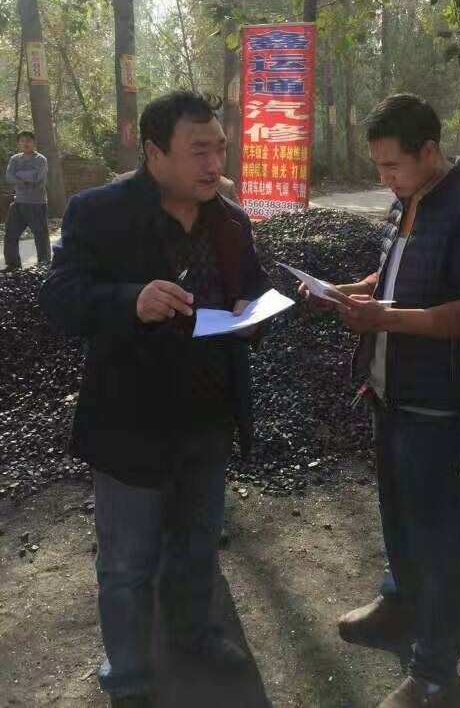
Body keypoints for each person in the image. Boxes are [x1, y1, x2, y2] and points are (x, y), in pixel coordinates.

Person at [39, 91, 270, 708]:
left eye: (220, 148)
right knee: (128, 561)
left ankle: (194, 637)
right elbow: (59, 298)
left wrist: (251, 311)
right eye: (199, 151)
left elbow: (252, 286)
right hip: (131, 423)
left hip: (209, 418)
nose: (214, 163)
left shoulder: (230, 220)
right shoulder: (99, 213)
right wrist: (130, 302)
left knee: (197, 544)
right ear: (154, 152)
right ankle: (129, 671)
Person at [304, 94, 460, 708]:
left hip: (437, 402)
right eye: (379, 166)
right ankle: (402, 604)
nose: (384, 178)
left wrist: (385, 319)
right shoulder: (407, 199)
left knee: (437, 537)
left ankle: (434, 671)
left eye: (392, 166)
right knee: (397, 515)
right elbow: (390, 280)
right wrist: (343, 292)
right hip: (390, 392)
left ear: (430, 151)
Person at [3, 130, 51, 270]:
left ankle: (44, 265)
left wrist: (19, 175)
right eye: (22, 140)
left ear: (34, 142)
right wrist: (26, 177)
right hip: (18, 203)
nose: (26, 143)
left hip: (37, 203)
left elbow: (37, 178)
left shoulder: (41, 160)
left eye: (28, 140)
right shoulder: (14, 159)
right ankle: (12, 265)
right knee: (10, 234)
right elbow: (9, 177)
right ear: (18, 143)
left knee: (40, 236)